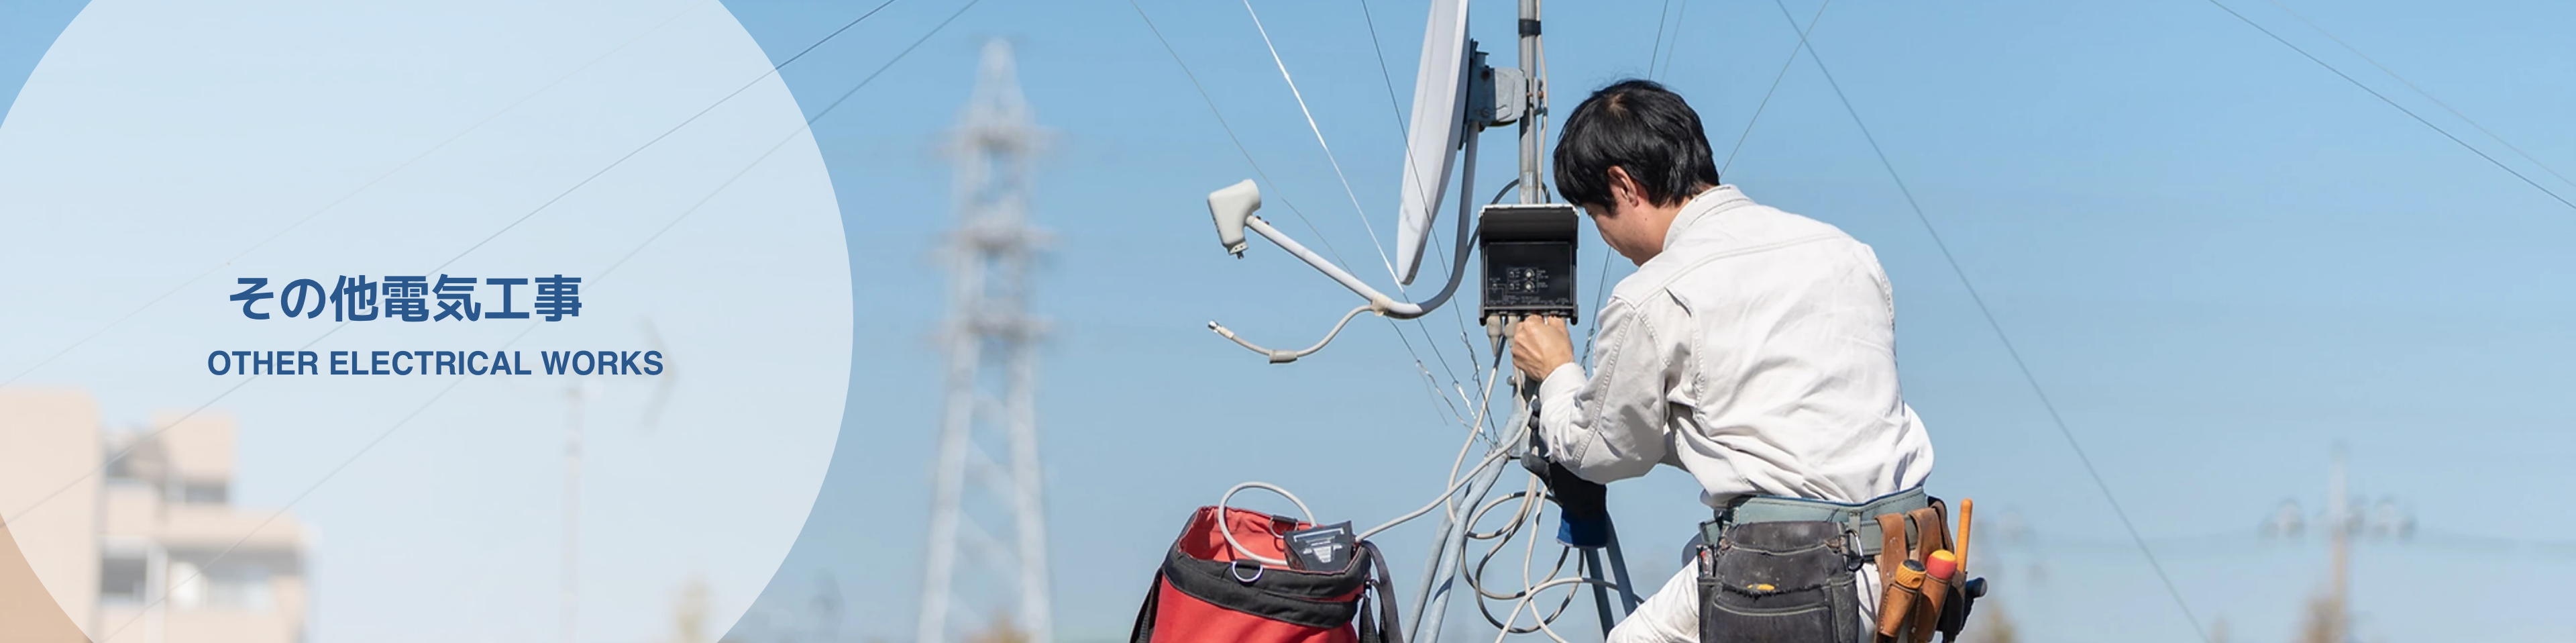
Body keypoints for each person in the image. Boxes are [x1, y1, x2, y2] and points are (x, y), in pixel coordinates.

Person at [1509, 79, 1938, 643]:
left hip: (1791, 571)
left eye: (1597, 215)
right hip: (1900, 568)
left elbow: (1603, 450)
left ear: (1623, 185)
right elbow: (1790, 438)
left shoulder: (1655, 293)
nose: (1606, 237)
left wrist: (1559, 373)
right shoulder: (1844, 251)